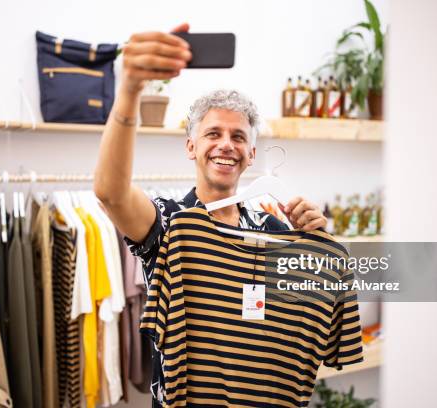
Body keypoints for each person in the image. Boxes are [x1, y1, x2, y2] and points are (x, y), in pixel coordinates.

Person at [93, 23, 327, 404]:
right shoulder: (169, 224)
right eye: (213, 134)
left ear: (252, 155)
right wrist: (130, 89)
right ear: (191, 147)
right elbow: (110, 193)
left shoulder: (270, 229)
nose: (226, 145)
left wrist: (315, 240)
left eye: (238, 137)